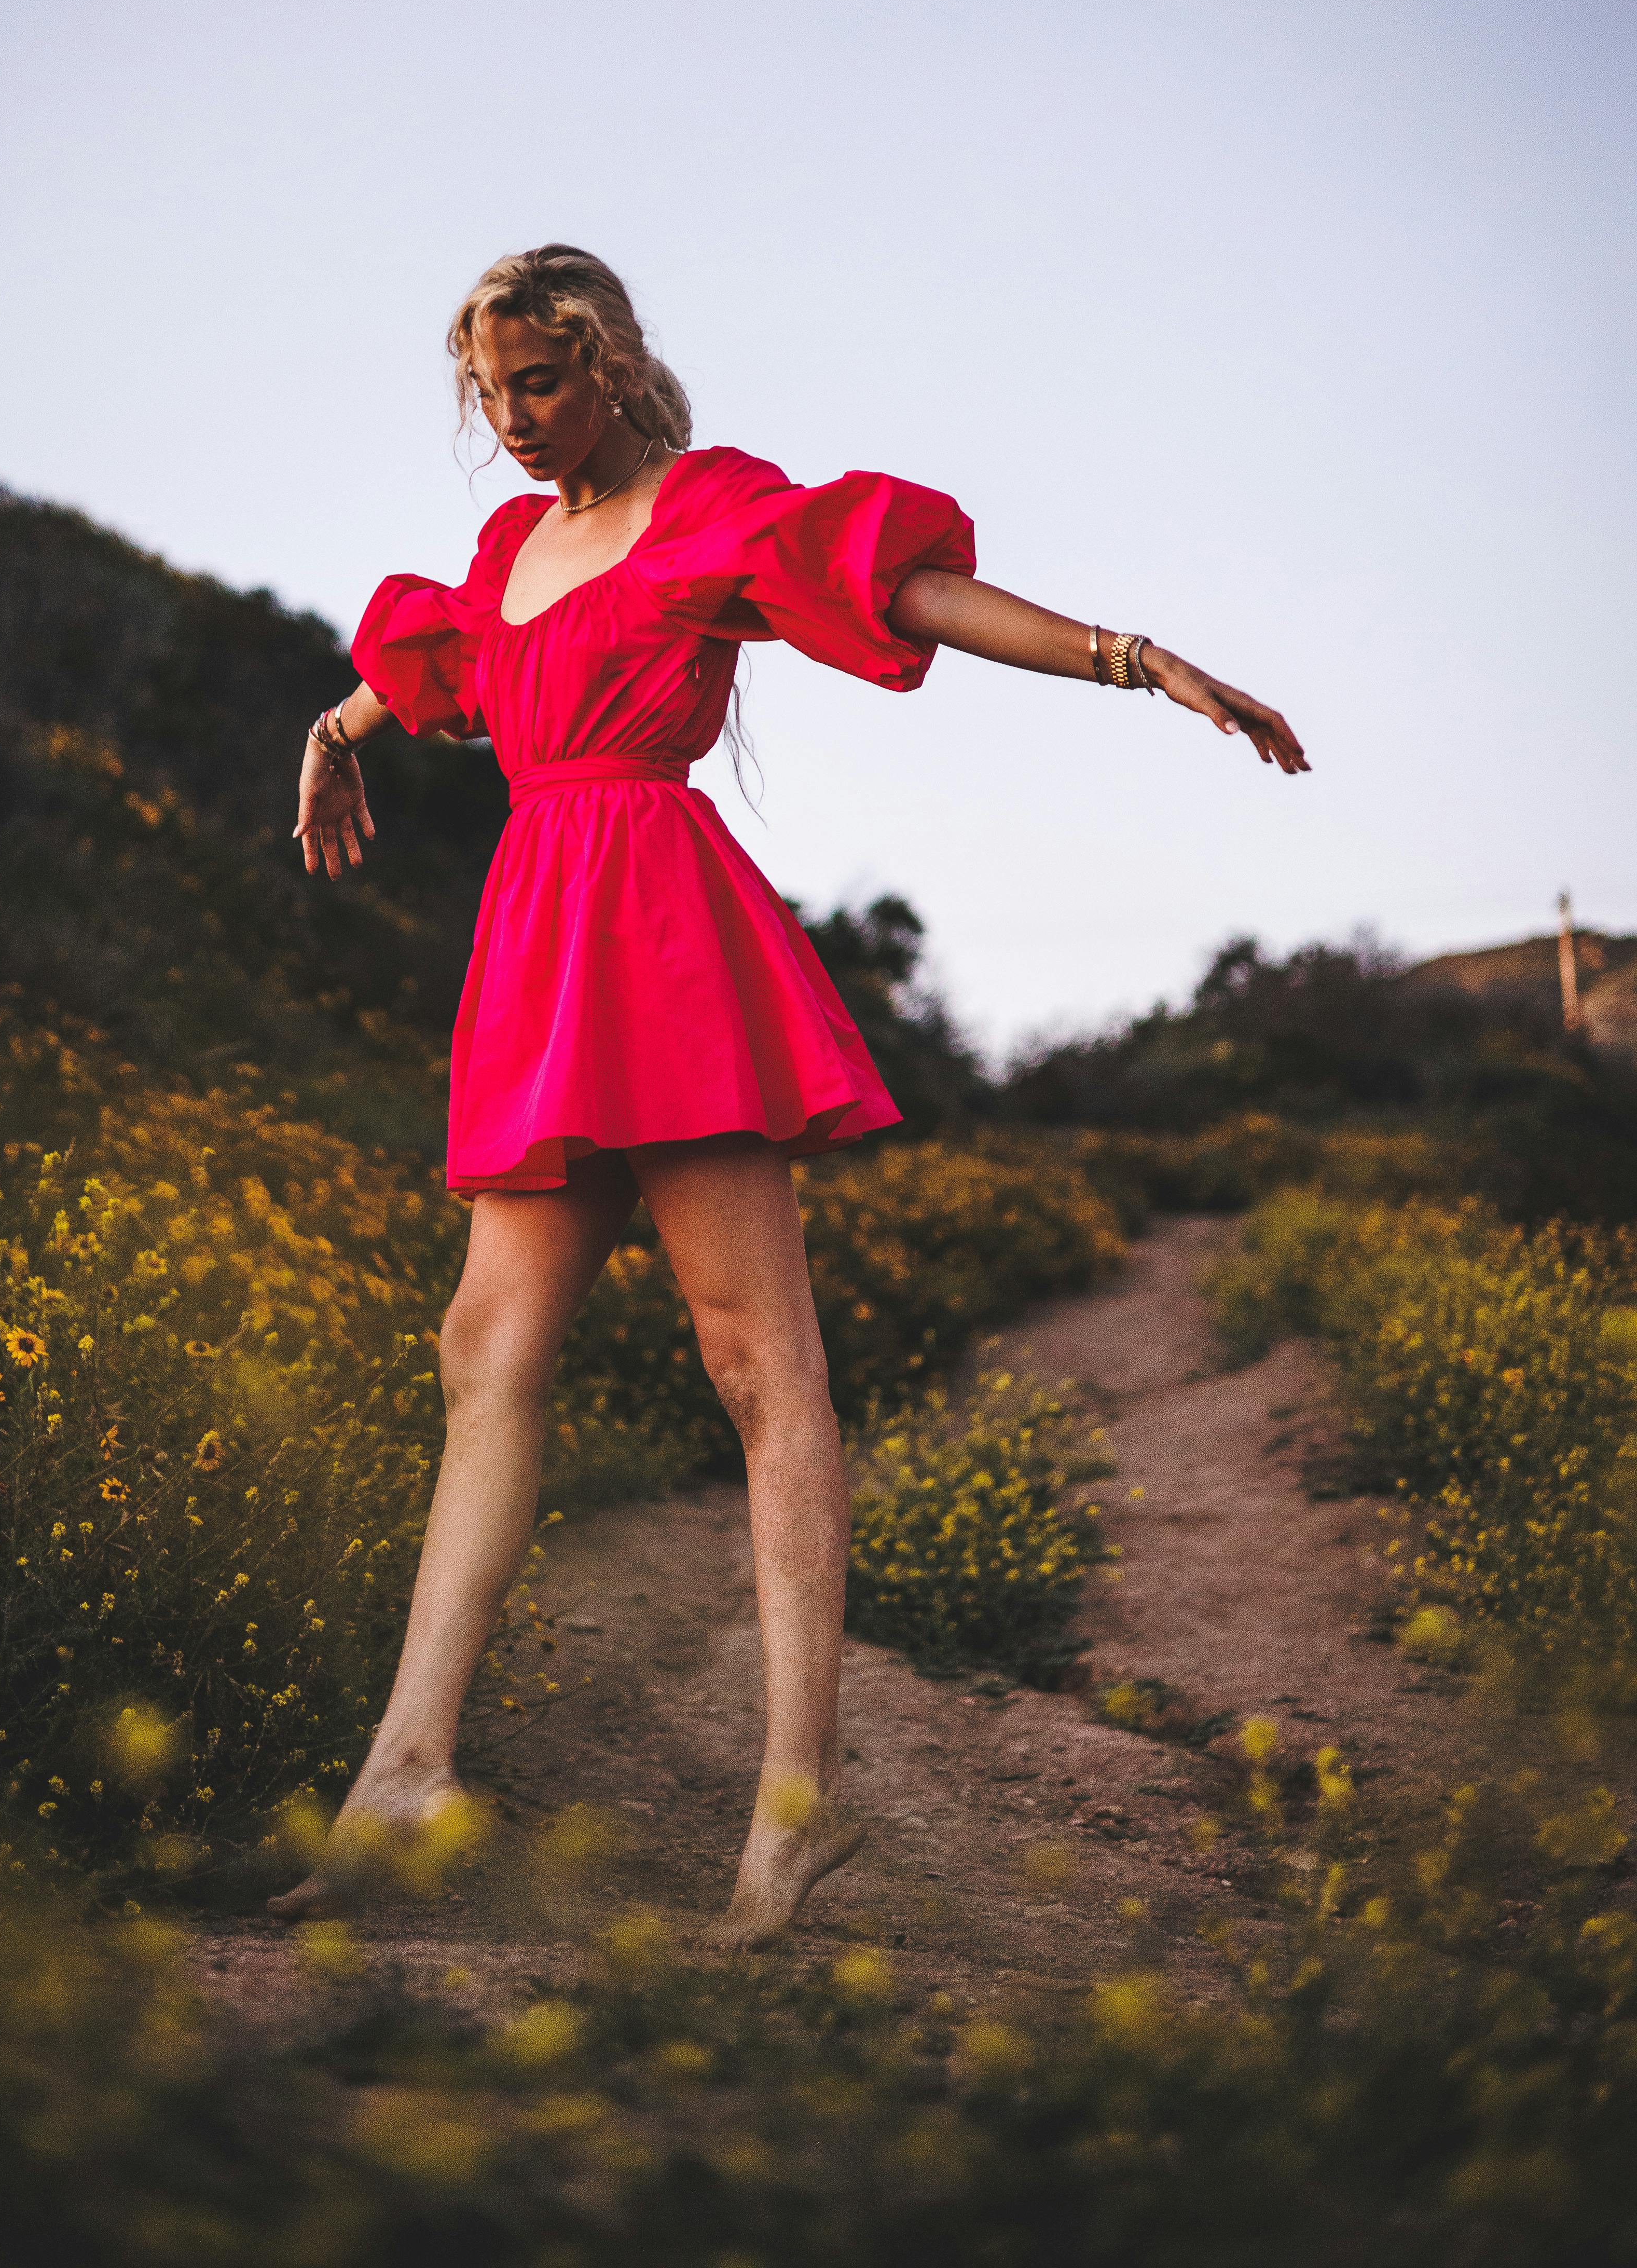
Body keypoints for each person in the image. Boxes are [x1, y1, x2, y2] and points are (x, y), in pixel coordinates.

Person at [272, 244, 1308, 1945]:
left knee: (760, 1364)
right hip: (541, 942)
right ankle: (401, 1780)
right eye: (493, 394)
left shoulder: (714, 509)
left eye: (541, 380)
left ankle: (798, 1811)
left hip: (665, 934)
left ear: (607, 362)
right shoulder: (507, 553)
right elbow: (440, 672)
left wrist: (1135, 658)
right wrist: (333, 724)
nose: (516, 421)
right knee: (486, 1344)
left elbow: (902, 596)